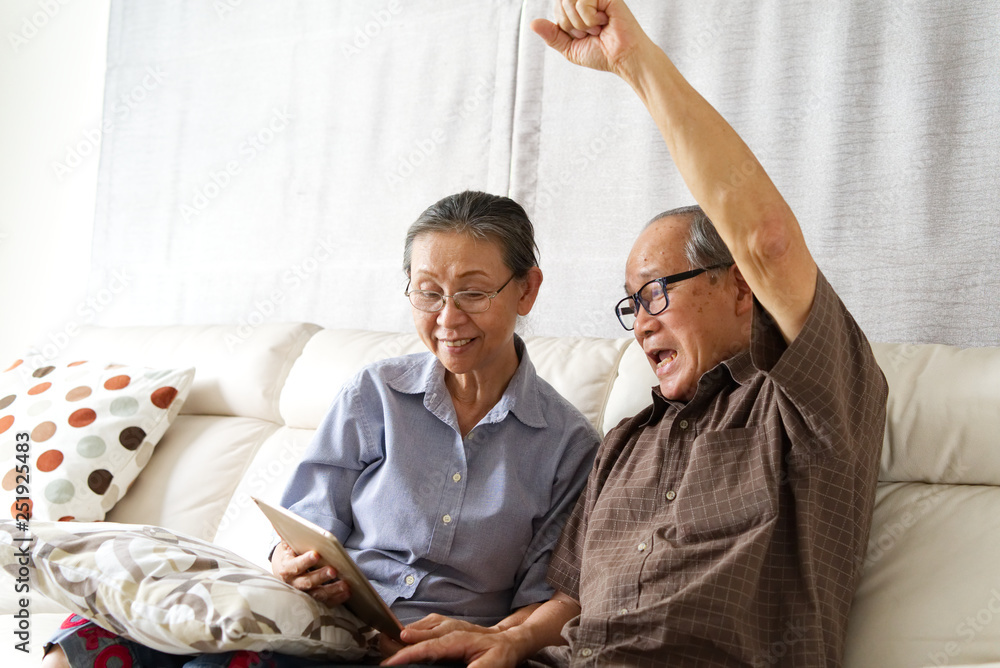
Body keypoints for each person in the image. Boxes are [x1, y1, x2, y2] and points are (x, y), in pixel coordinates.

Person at [385, 2, 888, 667]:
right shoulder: (626, 441)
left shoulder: (811, 407)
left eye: (656, 292)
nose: (641, 322)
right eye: (631, 304)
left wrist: (634, 62)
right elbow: (574, 601)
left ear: (740, 288)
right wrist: (503, 639)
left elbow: (766, 241)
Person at [41, 190, 600, 667]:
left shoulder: (568, 444)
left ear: (526, 289)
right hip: (323, 619)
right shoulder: (376, 393)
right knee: (104, 625)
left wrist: (492, 640)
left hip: (426, 650)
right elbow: (301, 528)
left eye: (473, 293)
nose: (447, 319)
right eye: (428, 293)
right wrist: (292, 563)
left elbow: (550, 599)